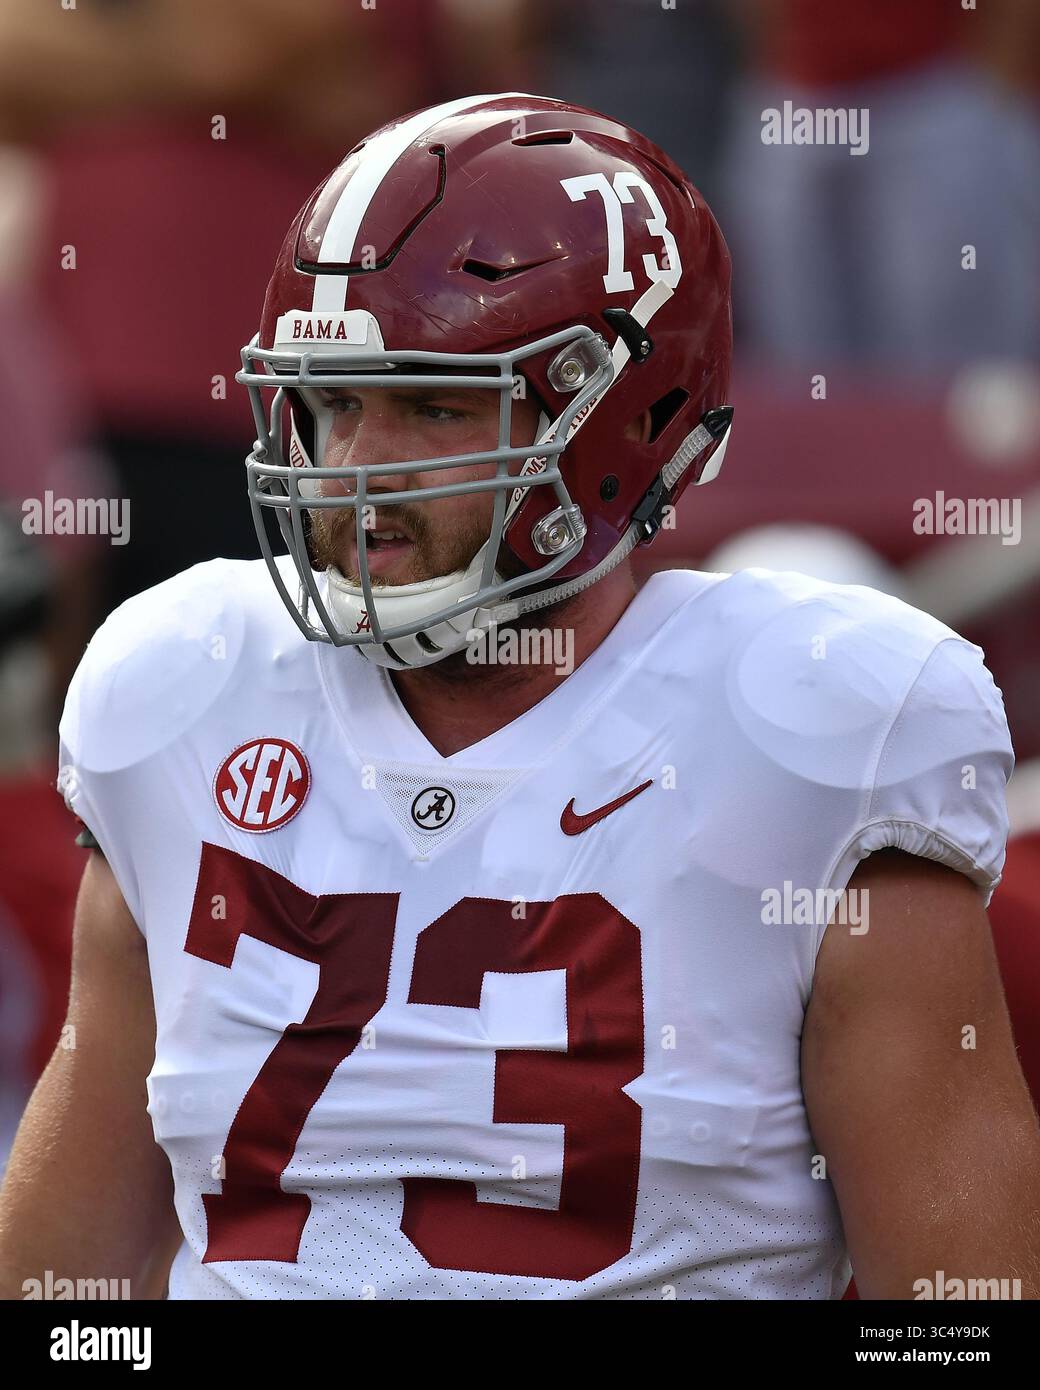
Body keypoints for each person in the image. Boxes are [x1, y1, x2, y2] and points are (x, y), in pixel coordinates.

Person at [1, 94, 1037, 1301]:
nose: (356, 474)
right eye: (331, 404)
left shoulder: (812, 731)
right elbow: (65, 1303)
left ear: (627, 418)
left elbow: (957, 1319)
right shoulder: (185, 686)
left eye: (433, 405)